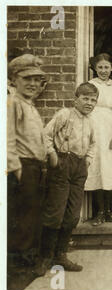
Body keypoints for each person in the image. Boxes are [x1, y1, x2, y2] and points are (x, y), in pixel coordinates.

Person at [34, 82, 98, 276]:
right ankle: (44, 257)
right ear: (75, 99)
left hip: (79, 168)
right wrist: (52, 155)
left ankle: (60, 255)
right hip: (62, 163)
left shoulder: (91, 121)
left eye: (93, 100)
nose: (89, 103)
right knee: (55, 213)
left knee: (72, 215)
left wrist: (87, 160)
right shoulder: (65, 114)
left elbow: (93, 144)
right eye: (85, 98)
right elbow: (46, 135)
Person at [7, 54, 48, 269]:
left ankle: (29, 259)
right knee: (24, 216)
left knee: (33, 213)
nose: (33, 84)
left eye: (36, 79)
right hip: (23, 167)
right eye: (27, 79)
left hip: (35, 166)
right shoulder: (12, 103)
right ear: (14, 79)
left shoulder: (28, 104)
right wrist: (16, 168)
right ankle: (22, 262)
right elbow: (7, 137)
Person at [85, 53, 112, 226]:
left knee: (110, 168)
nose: (103, 70)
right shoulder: (90, 85)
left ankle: (110, 211)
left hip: (110, 128)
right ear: (95, 68)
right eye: (100, 67)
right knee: (97, 167)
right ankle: (100, 212)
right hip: (95, 127)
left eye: (106, 67)